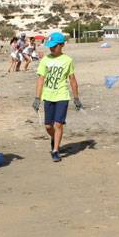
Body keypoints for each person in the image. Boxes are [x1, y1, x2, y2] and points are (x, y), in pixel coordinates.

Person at [32, 32, 82, 162]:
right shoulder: (45, 60)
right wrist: (37, 98)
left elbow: (72, 80)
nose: (52, 48)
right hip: (48, 96)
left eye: (54, 46)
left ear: (62, 45)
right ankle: (55, 139)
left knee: (58, 124)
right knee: (48, 126)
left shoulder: (68, 60)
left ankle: (55, 150)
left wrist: (76, 98)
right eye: (50, 46)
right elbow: (40, 79)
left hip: (62, 96)